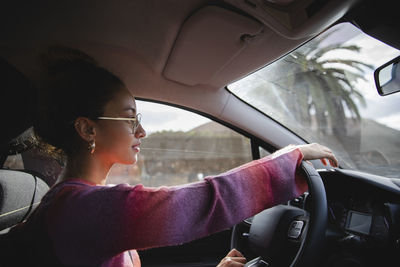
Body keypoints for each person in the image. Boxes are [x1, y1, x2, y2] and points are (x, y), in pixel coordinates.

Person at [7, 46, 338, 267]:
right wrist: (291, 160)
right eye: (128, 117)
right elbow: (204, 202)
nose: (141, 132)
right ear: (87, 129)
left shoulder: (70, 203)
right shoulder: (87, 208)